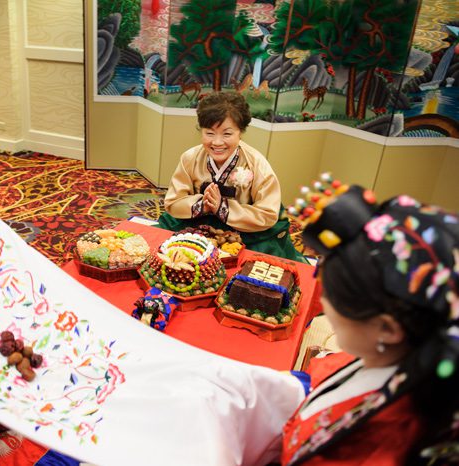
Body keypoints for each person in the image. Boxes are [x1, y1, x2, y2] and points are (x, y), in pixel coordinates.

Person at [281, 184, 459, 464]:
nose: (323, 303)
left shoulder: (386, 445)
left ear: (387, 329)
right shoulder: (392, 357)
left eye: (330, 296)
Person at [157, 91, 305, 261]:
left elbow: (267, 214)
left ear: (240, 132)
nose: (217, 142)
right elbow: (174, 201)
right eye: (209, 133)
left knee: (259, 260)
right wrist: (203, 204)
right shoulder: (190, 158)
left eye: (227, 134)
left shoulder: (256, 163)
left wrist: (222, 207)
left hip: (244, 228)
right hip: (197, 219)